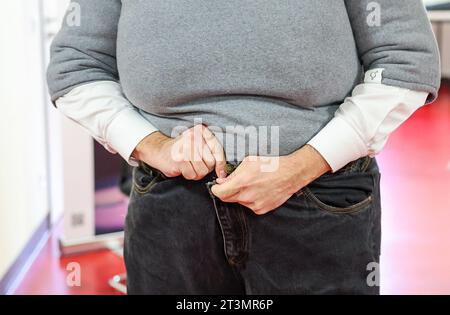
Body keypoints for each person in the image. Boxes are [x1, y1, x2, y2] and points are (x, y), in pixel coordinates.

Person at [47, 0, 440, 294]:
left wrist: (304, 165)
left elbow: (405, 62)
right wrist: (152, 147)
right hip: (171, 208)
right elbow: (75, 65)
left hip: (318, 202)